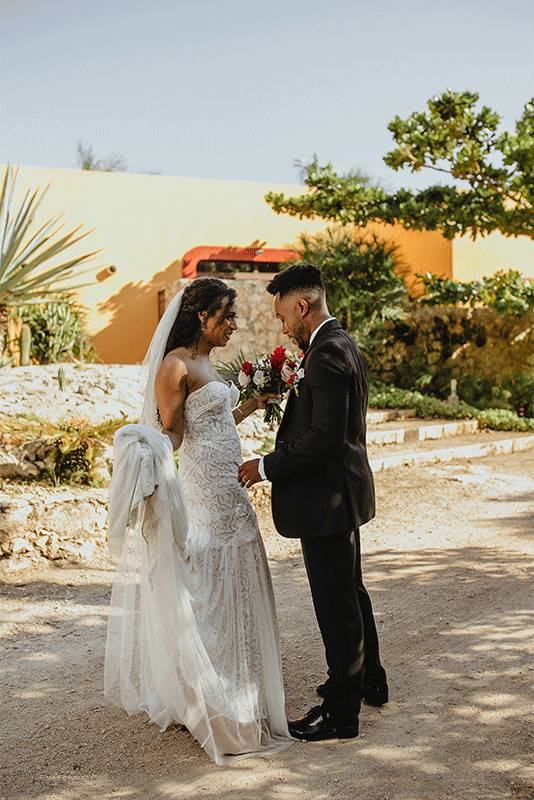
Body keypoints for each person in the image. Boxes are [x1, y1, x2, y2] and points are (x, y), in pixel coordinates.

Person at [105, 277, 293, 765]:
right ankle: (216, 704)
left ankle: (246, 699)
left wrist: (254, 401)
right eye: (226, 316)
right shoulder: (174, 366)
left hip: (233, 491)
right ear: (201, 317)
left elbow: (219, 417)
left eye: (233, 316)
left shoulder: (206, 361)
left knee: (239, 587)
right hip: (204, 494)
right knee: (207, 590)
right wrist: (140, 454)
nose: (233, 324)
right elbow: (173, 435)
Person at [238, 264, 388, 742]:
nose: (282, 325)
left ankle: (341, 713)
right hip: (342, 494)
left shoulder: (324, 354)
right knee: (351, 592)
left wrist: (264, 466)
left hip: (326, 499)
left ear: (302, 306)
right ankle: (369, 681)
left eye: (283, 314)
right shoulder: (338, 343)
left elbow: (323, 437)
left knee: (335, 604)